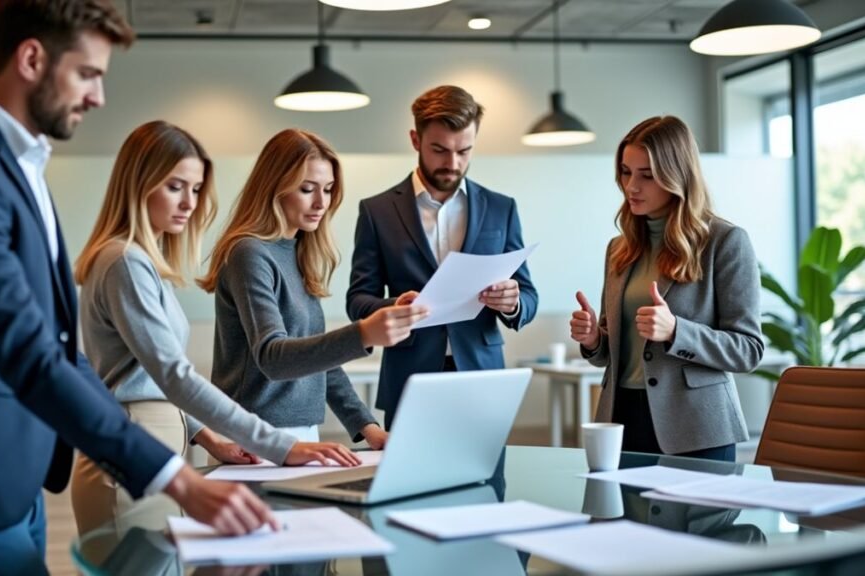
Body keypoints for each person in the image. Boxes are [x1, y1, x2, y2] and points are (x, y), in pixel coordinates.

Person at [0, 2, 273, 574]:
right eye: (88, 73)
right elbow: (26, 353)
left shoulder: (13, 163)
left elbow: (57, 347)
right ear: (32, 58)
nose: (98, 96)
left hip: (11, 471)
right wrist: (171, 476)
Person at [72, 121, 361, 534]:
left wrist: (208, 438)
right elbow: (172, 377)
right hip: (134, 446)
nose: (189, 202)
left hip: (157, 443)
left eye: (195, 189)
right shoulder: (124, 262)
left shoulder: (138, 262)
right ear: (138, 183)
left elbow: (154, 380)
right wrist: (281, 445)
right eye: (175, 186)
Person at [197, 128, 427, 447]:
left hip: (302, 434)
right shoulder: (249, 253)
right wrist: (362, 333)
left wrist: (368, 428)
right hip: (251, 437)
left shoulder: (297, 252)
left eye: (329, 189)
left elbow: (319, 364)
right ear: (274, 187)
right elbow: (272, 357)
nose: (321, 202)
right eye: (307, 189)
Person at [570, 115, 764, 462]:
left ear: (677, 177)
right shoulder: (619, 248)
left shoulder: (725, 242)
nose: (632, 186)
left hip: (696, 427)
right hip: (621, 418)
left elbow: (748, 350)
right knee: (617, 516)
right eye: (626, 172)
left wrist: (677, 332)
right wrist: (592, 340)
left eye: (647, 175)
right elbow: (610, 356)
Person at [346, 85, 539, 429]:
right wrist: (394, 308)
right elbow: (358, 300)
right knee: (406, 482)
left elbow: (528, 295)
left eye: (464, 150)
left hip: (483, 376)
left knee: (488, 480)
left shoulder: (501, 208)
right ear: (415, 140)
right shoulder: (377, 212)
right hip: (409, 376)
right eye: (439, 150)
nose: (453, 163)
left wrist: (512, 302)